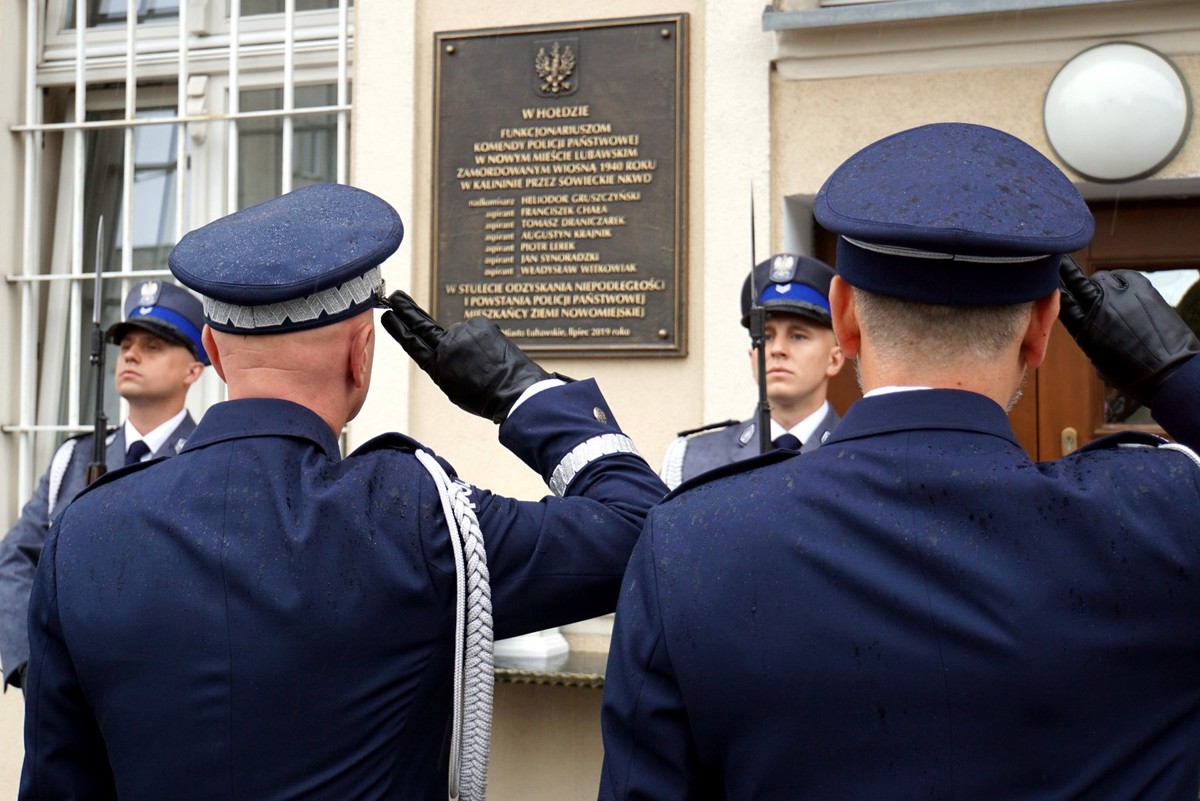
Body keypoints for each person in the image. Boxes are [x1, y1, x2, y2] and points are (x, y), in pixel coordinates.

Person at [599, 122, 1200, 800]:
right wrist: (1173, 374)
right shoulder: (1168, 518)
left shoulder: (692, 541)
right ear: (1041, 330)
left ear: (844, 320)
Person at [19, 182, 666, 801]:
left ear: (212, 352)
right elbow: (642, 525)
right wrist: (519, 395)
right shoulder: (416, 518)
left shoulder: (85, 533)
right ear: (362, 354)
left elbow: (60, 780)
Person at [0, 279, 208, 692]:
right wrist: (32, 665)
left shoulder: (205, 463)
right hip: (65, 699)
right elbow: (17, 559)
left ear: (193, 369)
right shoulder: (73, 459)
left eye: (153, 347)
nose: (131, 354)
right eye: (127, 344)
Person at [659, 254, 844, 489]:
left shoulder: (863, 454)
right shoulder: (693, 459)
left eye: (798, 336)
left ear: (835, 359)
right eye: (765, 336)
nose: (777, 349)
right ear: (752, 356)